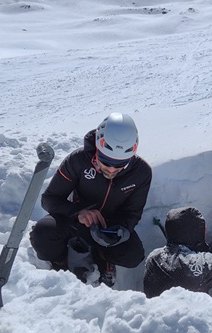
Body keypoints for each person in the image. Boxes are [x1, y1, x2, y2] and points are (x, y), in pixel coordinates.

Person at [30, 112, 152, 286]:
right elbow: (49, 199)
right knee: (42, 234)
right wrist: (78, 213)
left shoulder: (141, 173)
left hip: (108, 227)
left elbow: (132, 212)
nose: (111, 170)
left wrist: (121, 231)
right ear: (97, 149)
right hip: (74, 220)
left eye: (120, 165)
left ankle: (103, 258)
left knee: (133, 256)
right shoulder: (78, 160)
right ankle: (61, 262)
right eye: (105, 161)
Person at [143, 206, 212, 298]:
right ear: (197, 232)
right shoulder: (199, 264)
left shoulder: (153, 257)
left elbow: (190, 261)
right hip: (191, 322)